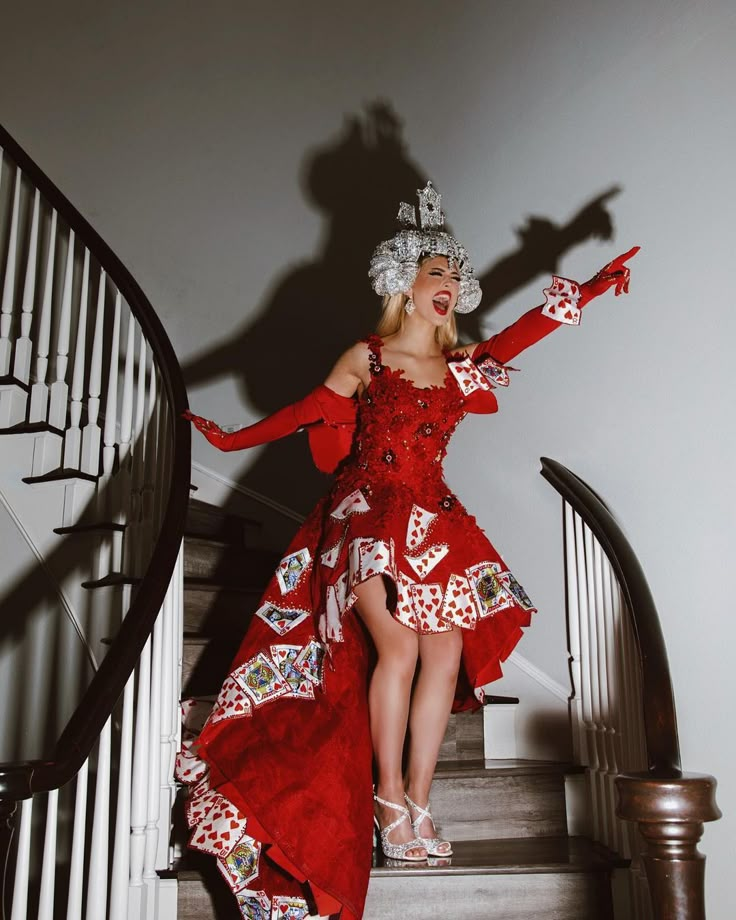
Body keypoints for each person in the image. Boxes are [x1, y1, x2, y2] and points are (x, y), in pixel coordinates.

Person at [178, 182, 637, 920]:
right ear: (405, 284)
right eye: (436, 276)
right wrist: (233, 440)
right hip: (362, 516)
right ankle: (386, 795)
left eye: (457, 279)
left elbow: (516, 336)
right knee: (396, 646)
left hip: (432, 519)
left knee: (445, 652)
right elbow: (312, 411)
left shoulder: (459, 370)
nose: (449, 288)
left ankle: (419, 802)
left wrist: (583, 288)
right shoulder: (368, 355)